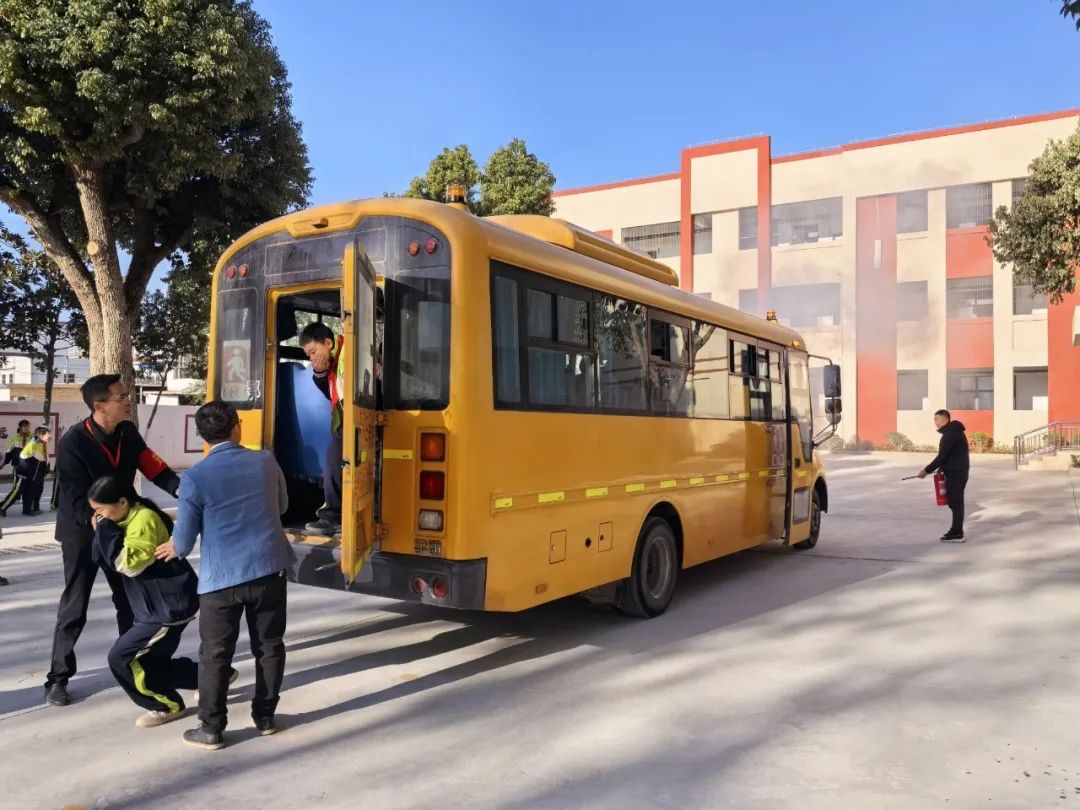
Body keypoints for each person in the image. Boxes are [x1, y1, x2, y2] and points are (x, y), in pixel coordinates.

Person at [156, 400, 295, 750]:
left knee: (215, 654)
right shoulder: (265, 461)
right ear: (237, 427)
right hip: (269, 569)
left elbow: (184, 542)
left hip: (222, 580)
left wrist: (172, 546)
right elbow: (282, 507)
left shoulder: (196, 478)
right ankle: (265, 718)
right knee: (269, 646)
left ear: (202, 436)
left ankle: (212, 728)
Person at [43, 374, 181, 708]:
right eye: (121, 396)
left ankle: (133, 667)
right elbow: (73, 500)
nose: (128, 399)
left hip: (123, 530)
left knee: (132, 603)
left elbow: (155, 468)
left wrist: (186, 493)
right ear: (99, 405)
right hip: (82, 535)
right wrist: (102, 524)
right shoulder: (74, 441)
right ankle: (58, 678)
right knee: (74, 606)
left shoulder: (127, 433)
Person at [89, 475, 203, 728]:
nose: (98, 516)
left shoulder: (144, 520)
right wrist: (104, 529)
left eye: (100, 509)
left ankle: (166, 706)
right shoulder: (125, 518)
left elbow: (126, 564)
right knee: (152, 663)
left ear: (121, 502)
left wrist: (105, 530)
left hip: (165, 608)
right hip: (155, 606)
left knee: (122, 658)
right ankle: (212, 677)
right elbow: (100, 556)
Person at [299, 322, 345, 535]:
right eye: (308, 355)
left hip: (354, 420)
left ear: (328, 342)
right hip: (343, 421)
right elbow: (332, 392)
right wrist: (320, 371)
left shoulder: (349, 351)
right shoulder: (334, 359)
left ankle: (334, 515)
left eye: (313, 352)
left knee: (332, 458)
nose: (312, 358)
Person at [917, 409, 970, 543]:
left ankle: (957, 532)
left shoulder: (950, 435)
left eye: (937, 419)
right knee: (954, 502)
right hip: (958, 471)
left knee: (955, 503)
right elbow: (950, 456)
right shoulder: (955, 432)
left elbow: (942, 457)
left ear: (945, 419)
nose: (935, 422)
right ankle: (955, 530)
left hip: (956, 474)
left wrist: (926, 471)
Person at [13, 425, 51, 516]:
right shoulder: (34, 444)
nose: (50, 436)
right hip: (30, 470)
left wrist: (46, 467)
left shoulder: (42, 444)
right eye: (48, 434)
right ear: (41, 435)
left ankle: (35, 507)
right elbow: (25, 457)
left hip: (39, 468)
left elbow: (44, 457)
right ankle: (28, 509)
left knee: (38, 489)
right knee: (26, 490)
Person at [0, 420, 32, 516]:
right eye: (24, 426)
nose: (26, 428)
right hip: (18, 467)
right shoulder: (14, 439)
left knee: (27, 489)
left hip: (29, 467)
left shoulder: (32, 438)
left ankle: (27, 509)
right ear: (20, 427)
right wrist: (3, 464)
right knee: (17, 490)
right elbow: (8, 454)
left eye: (28, 426)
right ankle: (3, 507)